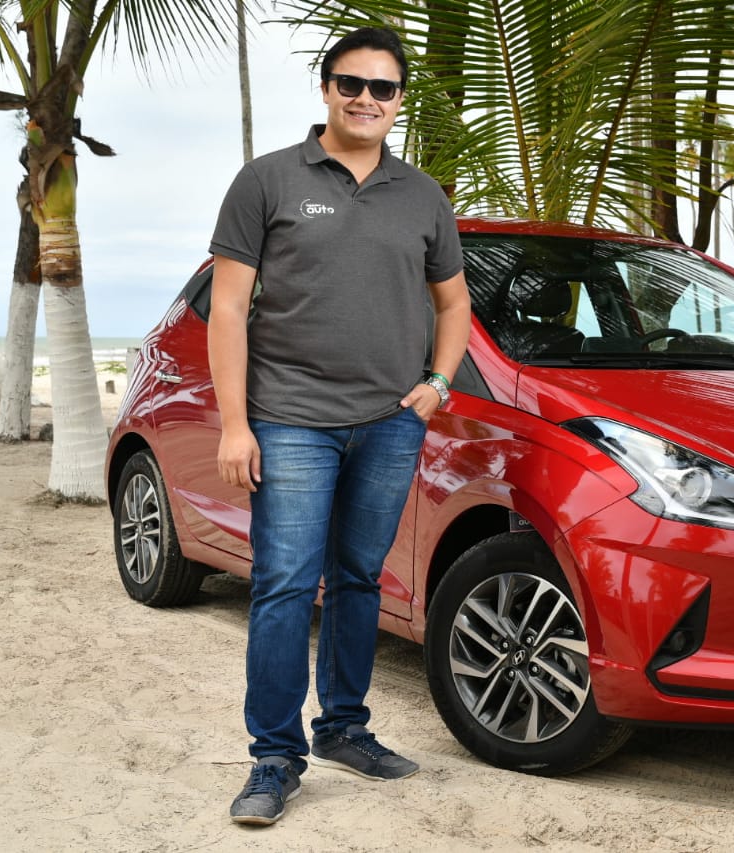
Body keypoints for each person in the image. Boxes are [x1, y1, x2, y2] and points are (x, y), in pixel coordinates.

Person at [207, 26, 471, 826]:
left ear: (398, 101)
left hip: (389, 424)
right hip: (289, 420)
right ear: (326, 89)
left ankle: (345, 728)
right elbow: (228, 308)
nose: (365, 99)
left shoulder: (421, 196)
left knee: (359, 578)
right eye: (350, 83)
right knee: (285, 583)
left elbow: (453, 302)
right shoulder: (268, 180)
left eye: (382, 88)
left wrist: (437, 383)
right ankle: (273, 757)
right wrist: (234, 425)